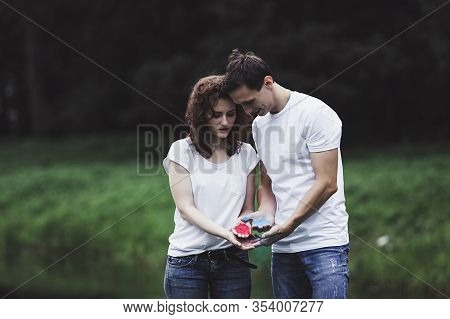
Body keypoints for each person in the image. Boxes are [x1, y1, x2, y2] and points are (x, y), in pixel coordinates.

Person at [222, 49, 350, 299]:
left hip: (324, 245)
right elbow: (267, 183)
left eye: (249, 101)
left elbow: (327, 182)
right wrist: (265, 216)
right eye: (241, 105)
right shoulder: (259, 125)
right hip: (283, 250)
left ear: (267, 83)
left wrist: (289, 224)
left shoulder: (315, 114)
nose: (246, 111)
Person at [162, 75, 259, 299]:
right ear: (201, 115)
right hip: (188, 262)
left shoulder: (246, 153)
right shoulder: (181, 152)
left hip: (233, 261)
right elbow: (187, 208)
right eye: (216, 115)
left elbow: (247, 208)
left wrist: (242, 229)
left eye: (231, 114)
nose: (225, 121)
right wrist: (227, 233)